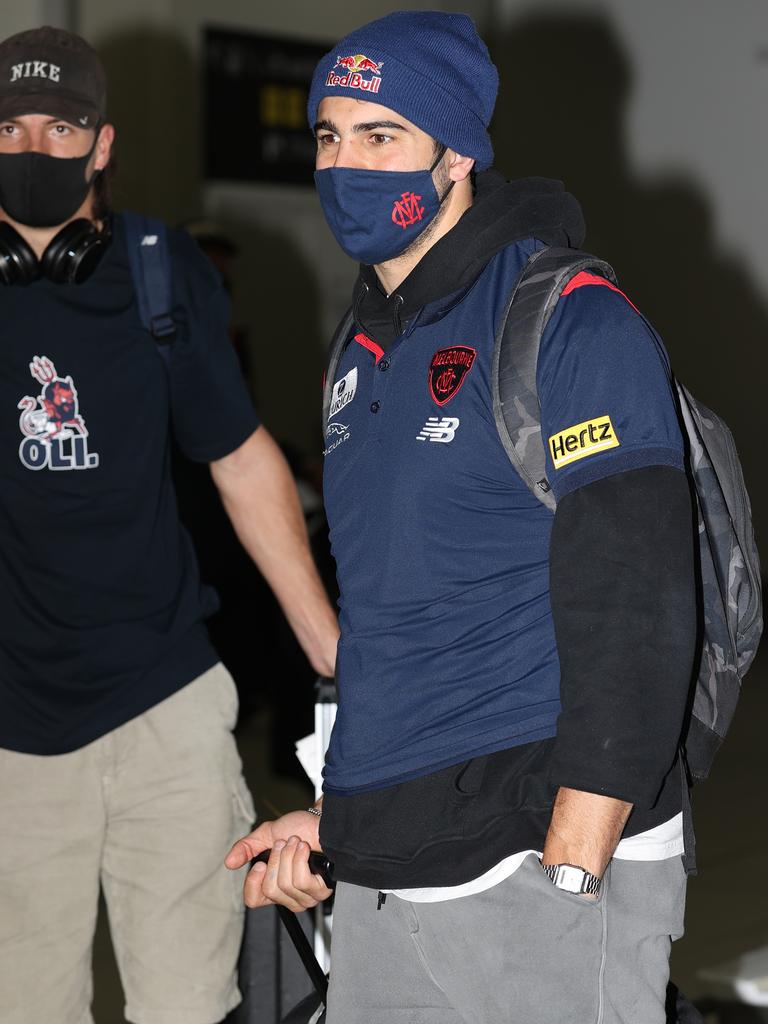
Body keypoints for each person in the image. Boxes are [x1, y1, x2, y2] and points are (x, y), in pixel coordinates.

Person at [226, 11, 697, 1024]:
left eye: (381, 135)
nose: (345, 163)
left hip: (539, 856)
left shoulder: (568, 317)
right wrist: (335, 817)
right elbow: (398, 621)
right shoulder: (357, 352)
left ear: (459, 155)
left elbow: (640, 593)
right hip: (395, 866)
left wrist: (576, 856)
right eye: (329, 135)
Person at [0, 26, 339, 1024]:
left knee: (191, 1008)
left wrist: (331, 648)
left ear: (102, 144)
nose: (33, 150)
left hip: (165, 711)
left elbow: (240, 459)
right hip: (14, 730)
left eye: (60, 128)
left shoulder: (160, 272)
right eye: (10, 127)